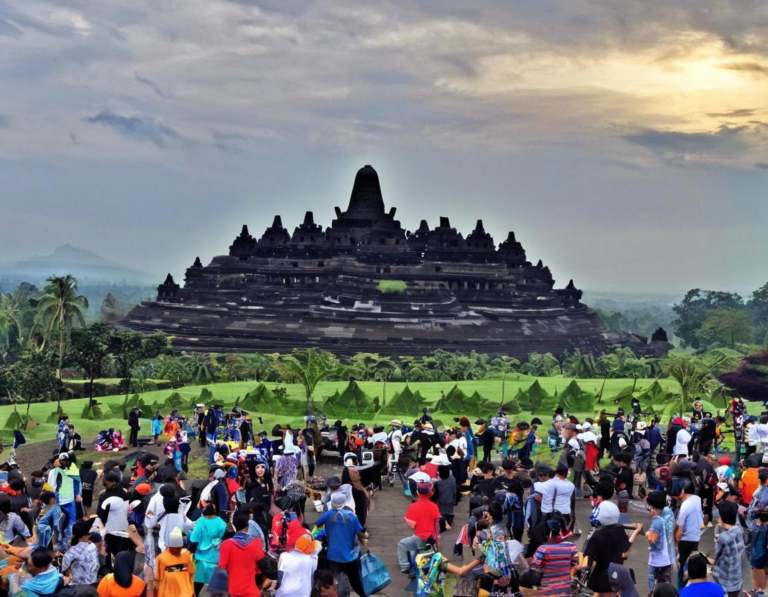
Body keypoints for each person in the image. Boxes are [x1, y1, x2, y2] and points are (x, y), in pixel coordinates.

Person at [315, 492, 367, 597]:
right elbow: (360, 532)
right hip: (350, 556)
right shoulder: (352, 516)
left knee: (337, 579)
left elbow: (318, 523)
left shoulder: (328, 514)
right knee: (355, 580)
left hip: (333, 555)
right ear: (344, 503)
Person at [584, 501, 632, 597]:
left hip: (602, 576)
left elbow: (590, 557)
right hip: (617, 572)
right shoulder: (621, 530)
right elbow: (625, 550)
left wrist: (587, 568)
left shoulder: (598, 534)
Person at [397, 481, 445, 575]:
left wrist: (408, 521)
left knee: (401, 545)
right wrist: (437, 538)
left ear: (417, 492)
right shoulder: (434, 506)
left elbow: (411, 524)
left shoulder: (414, 506)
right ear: (430, 492)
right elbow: (437, 524)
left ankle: (405, 566)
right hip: (431, 536)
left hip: (419, 536)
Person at [218, 510, 267, 597]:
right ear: (247, 527)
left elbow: (222, 568)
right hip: (251, 590)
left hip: (233, 590)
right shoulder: (256, 543)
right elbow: (261, 569)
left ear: (234, 526)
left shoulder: (226, 544)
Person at [531, 517, 579, 596]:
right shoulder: (571, 547)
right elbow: (575, 564)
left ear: (546, 532)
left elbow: (534, 569)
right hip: (565, 591)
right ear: (559, 531)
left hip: (546, 591)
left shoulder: (542, 549)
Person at [189, 503, 227, 597]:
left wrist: (191, 551)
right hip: (217, 559)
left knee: (197, 586)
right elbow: (225, 538)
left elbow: (194, 539)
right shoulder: (221, 522)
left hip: (202, 559)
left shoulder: (201, 521)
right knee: (217, 590)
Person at [711, 502, 745, 597]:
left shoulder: (723, 538)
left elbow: (718, 559)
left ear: (721, 518)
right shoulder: (738, 530)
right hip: (737, 580)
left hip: (725, 583)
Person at [644, 491, 675, 595]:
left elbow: (654, 542)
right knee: (666, 588)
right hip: (666, 559)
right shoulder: (668, 514)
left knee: (654, 590)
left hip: (657, 561)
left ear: (652, 508)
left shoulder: (657, 522)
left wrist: (647, 534)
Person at [675, 483, 703, 588]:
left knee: (683, 567)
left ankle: (681, 589)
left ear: (683, 492)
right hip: (696, 537)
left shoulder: (685, 505)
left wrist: (677, 541)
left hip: (686, 540)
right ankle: (692, 586)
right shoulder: (697, 499)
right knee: (692, 563)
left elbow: (680, 530)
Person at [155, 527, 195, 597]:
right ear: (169, 546)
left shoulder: (185, 557)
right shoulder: (161, 558)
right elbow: (158, 578)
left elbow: (191, 573)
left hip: (185, 591)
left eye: (178, 548)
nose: (176, 550)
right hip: (168, 591)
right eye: (174, 548)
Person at [62, 519, 100, 587]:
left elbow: (64, 568)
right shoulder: (93, 546)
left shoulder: (71, 552)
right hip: (93, 583)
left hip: (77, 587)